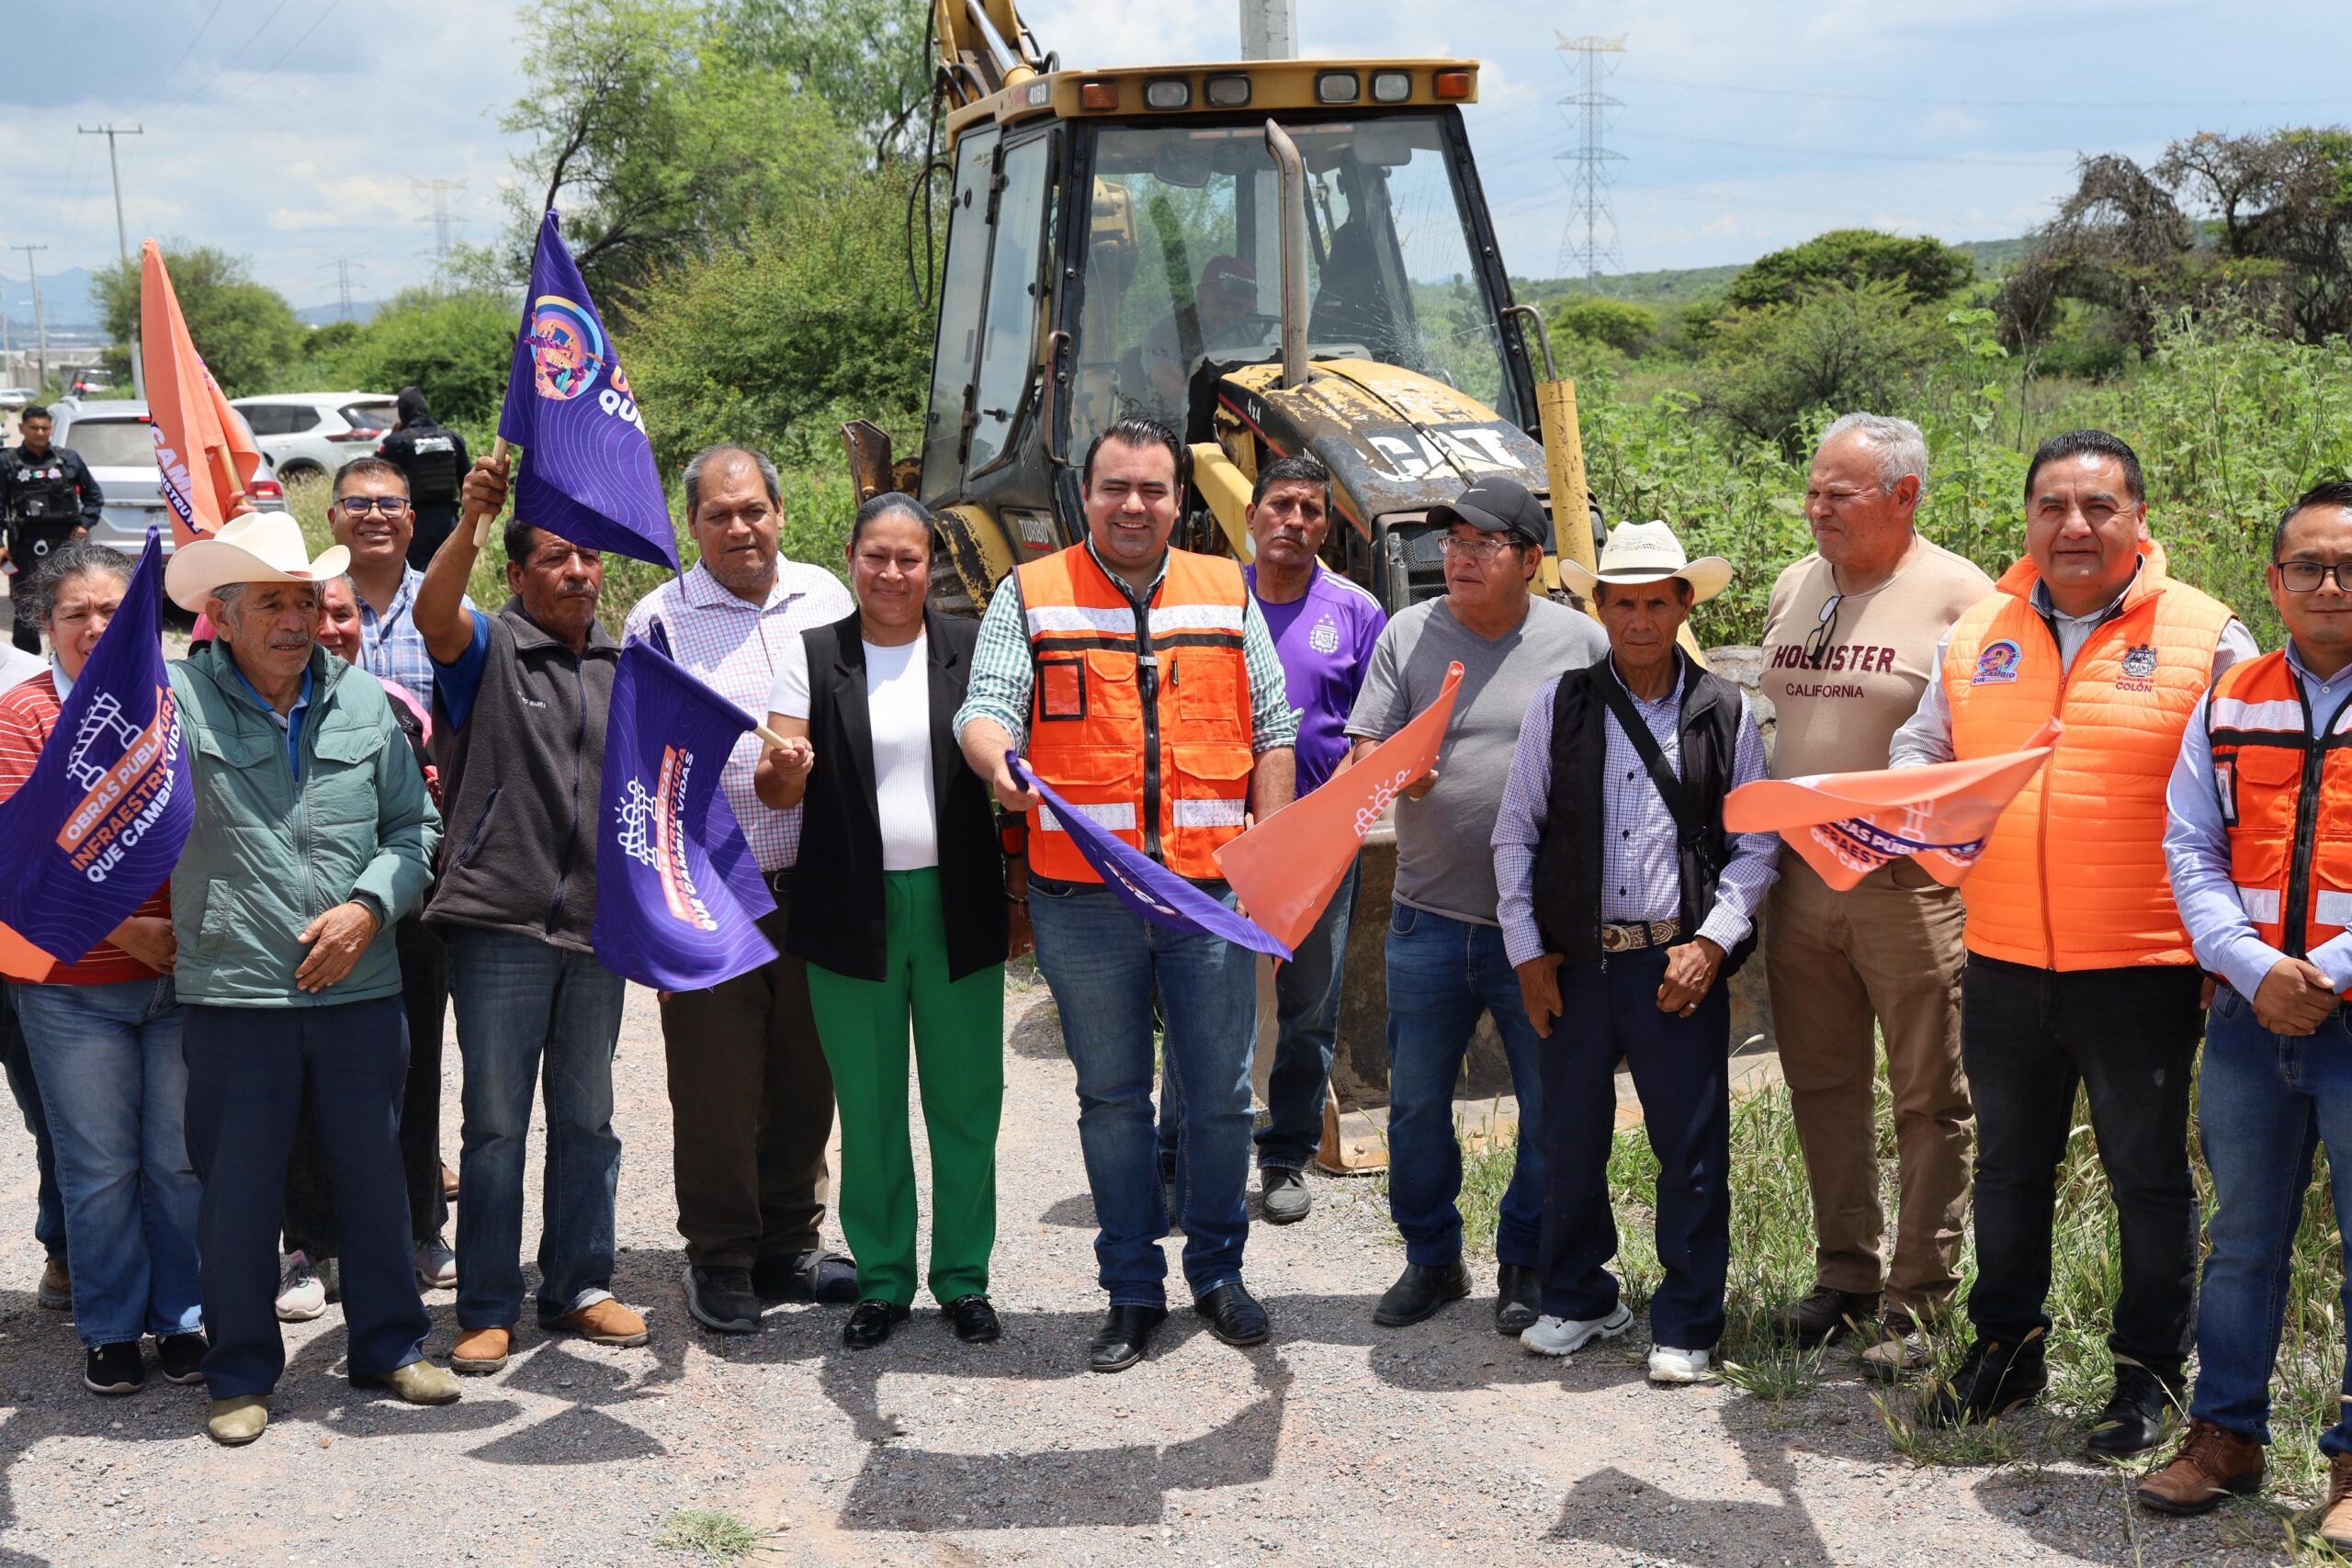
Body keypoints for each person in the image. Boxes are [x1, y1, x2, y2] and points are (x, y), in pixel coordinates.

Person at [1891, 429, 2254, 1450]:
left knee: (2146, 1177)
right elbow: (1922, 753)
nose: (2074, 526)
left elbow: (2241, 802)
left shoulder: (2206, 636)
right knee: (2009, 1167)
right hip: (2002, 958)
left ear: (2139, 518)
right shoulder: (1977, 635)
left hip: (2142, 965)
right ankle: (2004, 1352)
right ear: (2027, 522)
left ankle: (2147, 1377)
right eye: (2052, 506)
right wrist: (1929, 830)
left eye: (2098, 506)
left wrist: (2229, 951)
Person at [955, 416, 1298, 1373]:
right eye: (1115, 488)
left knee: (1223, 1098)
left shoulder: (1225, 591)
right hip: (1086, 897)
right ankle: (1132, 1292)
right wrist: (999, 767)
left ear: (1178, 502)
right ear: (1085, 496)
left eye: (1152, 489)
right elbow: (984, 707)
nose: (1134, 505)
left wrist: (1266, 866)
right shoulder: (1031, 594)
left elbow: (1272, 728)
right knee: (1110, 1099)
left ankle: (1219, 1274)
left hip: (1207, 898)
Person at [160, 511, 455, 1446]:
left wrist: (371, 904)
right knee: (240, 1193)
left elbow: (415, 833)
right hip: (234, 991)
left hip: (361, 987)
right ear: (225, 614)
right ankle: (240, 1373)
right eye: (273, 604)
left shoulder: (365, 702)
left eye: (307, 601)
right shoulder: (167, 701)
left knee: (375, 1180)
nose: (297, 621)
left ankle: (389, 1347)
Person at [1496, 520, 1776, 1382]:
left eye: (1658, 601)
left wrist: (1712, 944)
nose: (1641, 619)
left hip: (1674, 964)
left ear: (1686, 604)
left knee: (1689, 1148)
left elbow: (1758, 846)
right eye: (1624, 603)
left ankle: (1687, 1322)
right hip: (1577, 963)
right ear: (1601, 607)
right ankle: (1579, 1297)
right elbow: (1517, 835)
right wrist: (1528, 952)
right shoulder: (1561, 702)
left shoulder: (1725, 710)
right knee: (1570, 1137)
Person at [2137, 479, 2352, 1541]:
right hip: (2244, 1015)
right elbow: (2190, 845)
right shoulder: (2230, 700)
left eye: (2347, 570)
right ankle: (2225, 1436)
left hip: (2345, 1015)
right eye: (2307, 567)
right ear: (2273, 581)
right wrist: (2249, 965)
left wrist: (2326, 975)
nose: (2327, 586)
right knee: (2242, 1241)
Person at [1757, 413, 1994, 1369]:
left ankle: (1917, 1304)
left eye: (1837, 494)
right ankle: (1844, 1275)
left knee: (1928, 1098)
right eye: (1812, 490)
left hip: (1906, 888)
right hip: (1799, 883)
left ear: (1903, 496)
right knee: (1821, 1084)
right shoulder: (1795, 584)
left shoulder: (1958, 595)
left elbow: (1987, 746)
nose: (1817, 509)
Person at [1344, 476, 1607, 1335]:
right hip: (1425, 917)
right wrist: (1391, 769)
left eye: (1480, 544)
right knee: (1415, 1105)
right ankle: (1431, 1257)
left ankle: (1524, 1259)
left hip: (1538, 932)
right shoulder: (1409, 633)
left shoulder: (1582, 643)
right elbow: (1365, 753)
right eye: (1450, 542)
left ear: (1530, 561)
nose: (1457, 557)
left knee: (1546, 1104)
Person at [759, 493, 1012, 1348]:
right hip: (848, 911)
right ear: (851, 556)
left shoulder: (972, 650)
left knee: (967, 1100)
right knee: (868, 1107)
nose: (893, 573)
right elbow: (775, 781)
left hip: (957, 905)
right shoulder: (814, 655)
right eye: (876, 556)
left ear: (930, 564)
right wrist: (785, 765)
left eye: (910, 558)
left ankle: (964, 1279)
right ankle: (883, 1279)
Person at [416, 456, 650, 1374]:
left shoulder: (623, 663)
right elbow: (434, 615)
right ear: (516, 576)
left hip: (597, 931)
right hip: (499, 924)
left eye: (587, 558)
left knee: (588, 1120)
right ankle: (486, 1304)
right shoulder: (489, 649)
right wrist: (471, 521)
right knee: (495, 1126)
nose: (577, 572)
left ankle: (580, 1285)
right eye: (554, 558)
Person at [621, 444, 859, 1335]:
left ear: (780, 510)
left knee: (806, 1070)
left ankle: (788, 1243)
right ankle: (720, 1254)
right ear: (693, 525)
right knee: (716, 1084)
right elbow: (636, 765)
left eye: (752, 509)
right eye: (718, 515)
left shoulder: (827, 600)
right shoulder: (661, 619)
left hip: (817, 875)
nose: (738, 528)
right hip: (706, 883)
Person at [1155, 455, 1384, 1224]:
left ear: (1327, 525)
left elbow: (1369, 731)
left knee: (1308, 1001)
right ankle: (1175, 1142)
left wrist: (1344, 806)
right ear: (1248, 515)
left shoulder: (1355, 611)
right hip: (1213, 840)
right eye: (1281, 505)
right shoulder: (1205, 600)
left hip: (1317, 845)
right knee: (1201, 992)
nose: (1295, 521)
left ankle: (1284, 1151)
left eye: (1312, 510)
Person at [0, 542, 201, 1398]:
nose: (94, 625)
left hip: (185, 977)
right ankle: (113, 1326)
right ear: (45, 625)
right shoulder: (22, 718)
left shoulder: (175, 700)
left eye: (111, 610)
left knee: (178, 1158)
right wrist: (127, 928)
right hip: (71, 988)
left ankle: (185, 1315)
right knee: (99, 1164)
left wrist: (178, 931)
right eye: (75, 611)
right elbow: (20, 857)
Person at [271, 573, 454, 1322]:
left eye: (341, 613)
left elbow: (423, 817)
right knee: (299, 1094)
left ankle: (421, 1229)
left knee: (414, 1082)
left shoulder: (399, 705)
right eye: (318, 611)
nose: (330, 626)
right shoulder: (267, 702)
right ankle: (305, 1247)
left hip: (400, 927)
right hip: (302, 931)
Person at [325, 455, 467, 703]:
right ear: (332, 519)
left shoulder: (452, 606)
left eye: (391, 504)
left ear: (410, 522)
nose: (375, 516)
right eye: (357, 504)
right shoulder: (305, 605)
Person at [1, 406, 104, 654]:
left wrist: (83, 525)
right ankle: (28, 667)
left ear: (51, 428)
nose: (40, 432)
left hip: (67, 546)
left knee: (72, 602)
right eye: (34, 427)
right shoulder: (8, 463)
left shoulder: (68, 459)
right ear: (21, 428)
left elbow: (94, 496)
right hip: (26, 546)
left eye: (45, 427)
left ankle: (69, 657)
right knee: (27, 606)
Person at [1137, 256, 1267, 423]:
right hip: (1180, 428)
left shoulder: (1254, 332)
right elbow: (1170, 386)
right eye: (1221, 304)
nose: (1228, 314)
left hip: (1244, 423)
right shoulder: (1166, 333)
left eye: (1237, 308)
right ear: (1201, 294)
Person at [374, 388, 469, 570]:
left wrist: (391, 437)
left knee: (416, 584)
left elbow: (369, 475)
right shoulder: (453, 438)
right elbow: (469, 481)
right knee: (452, 579)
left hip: (415, 524)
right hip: (449, 523)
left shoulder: (397, 442)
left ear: (403, 411)